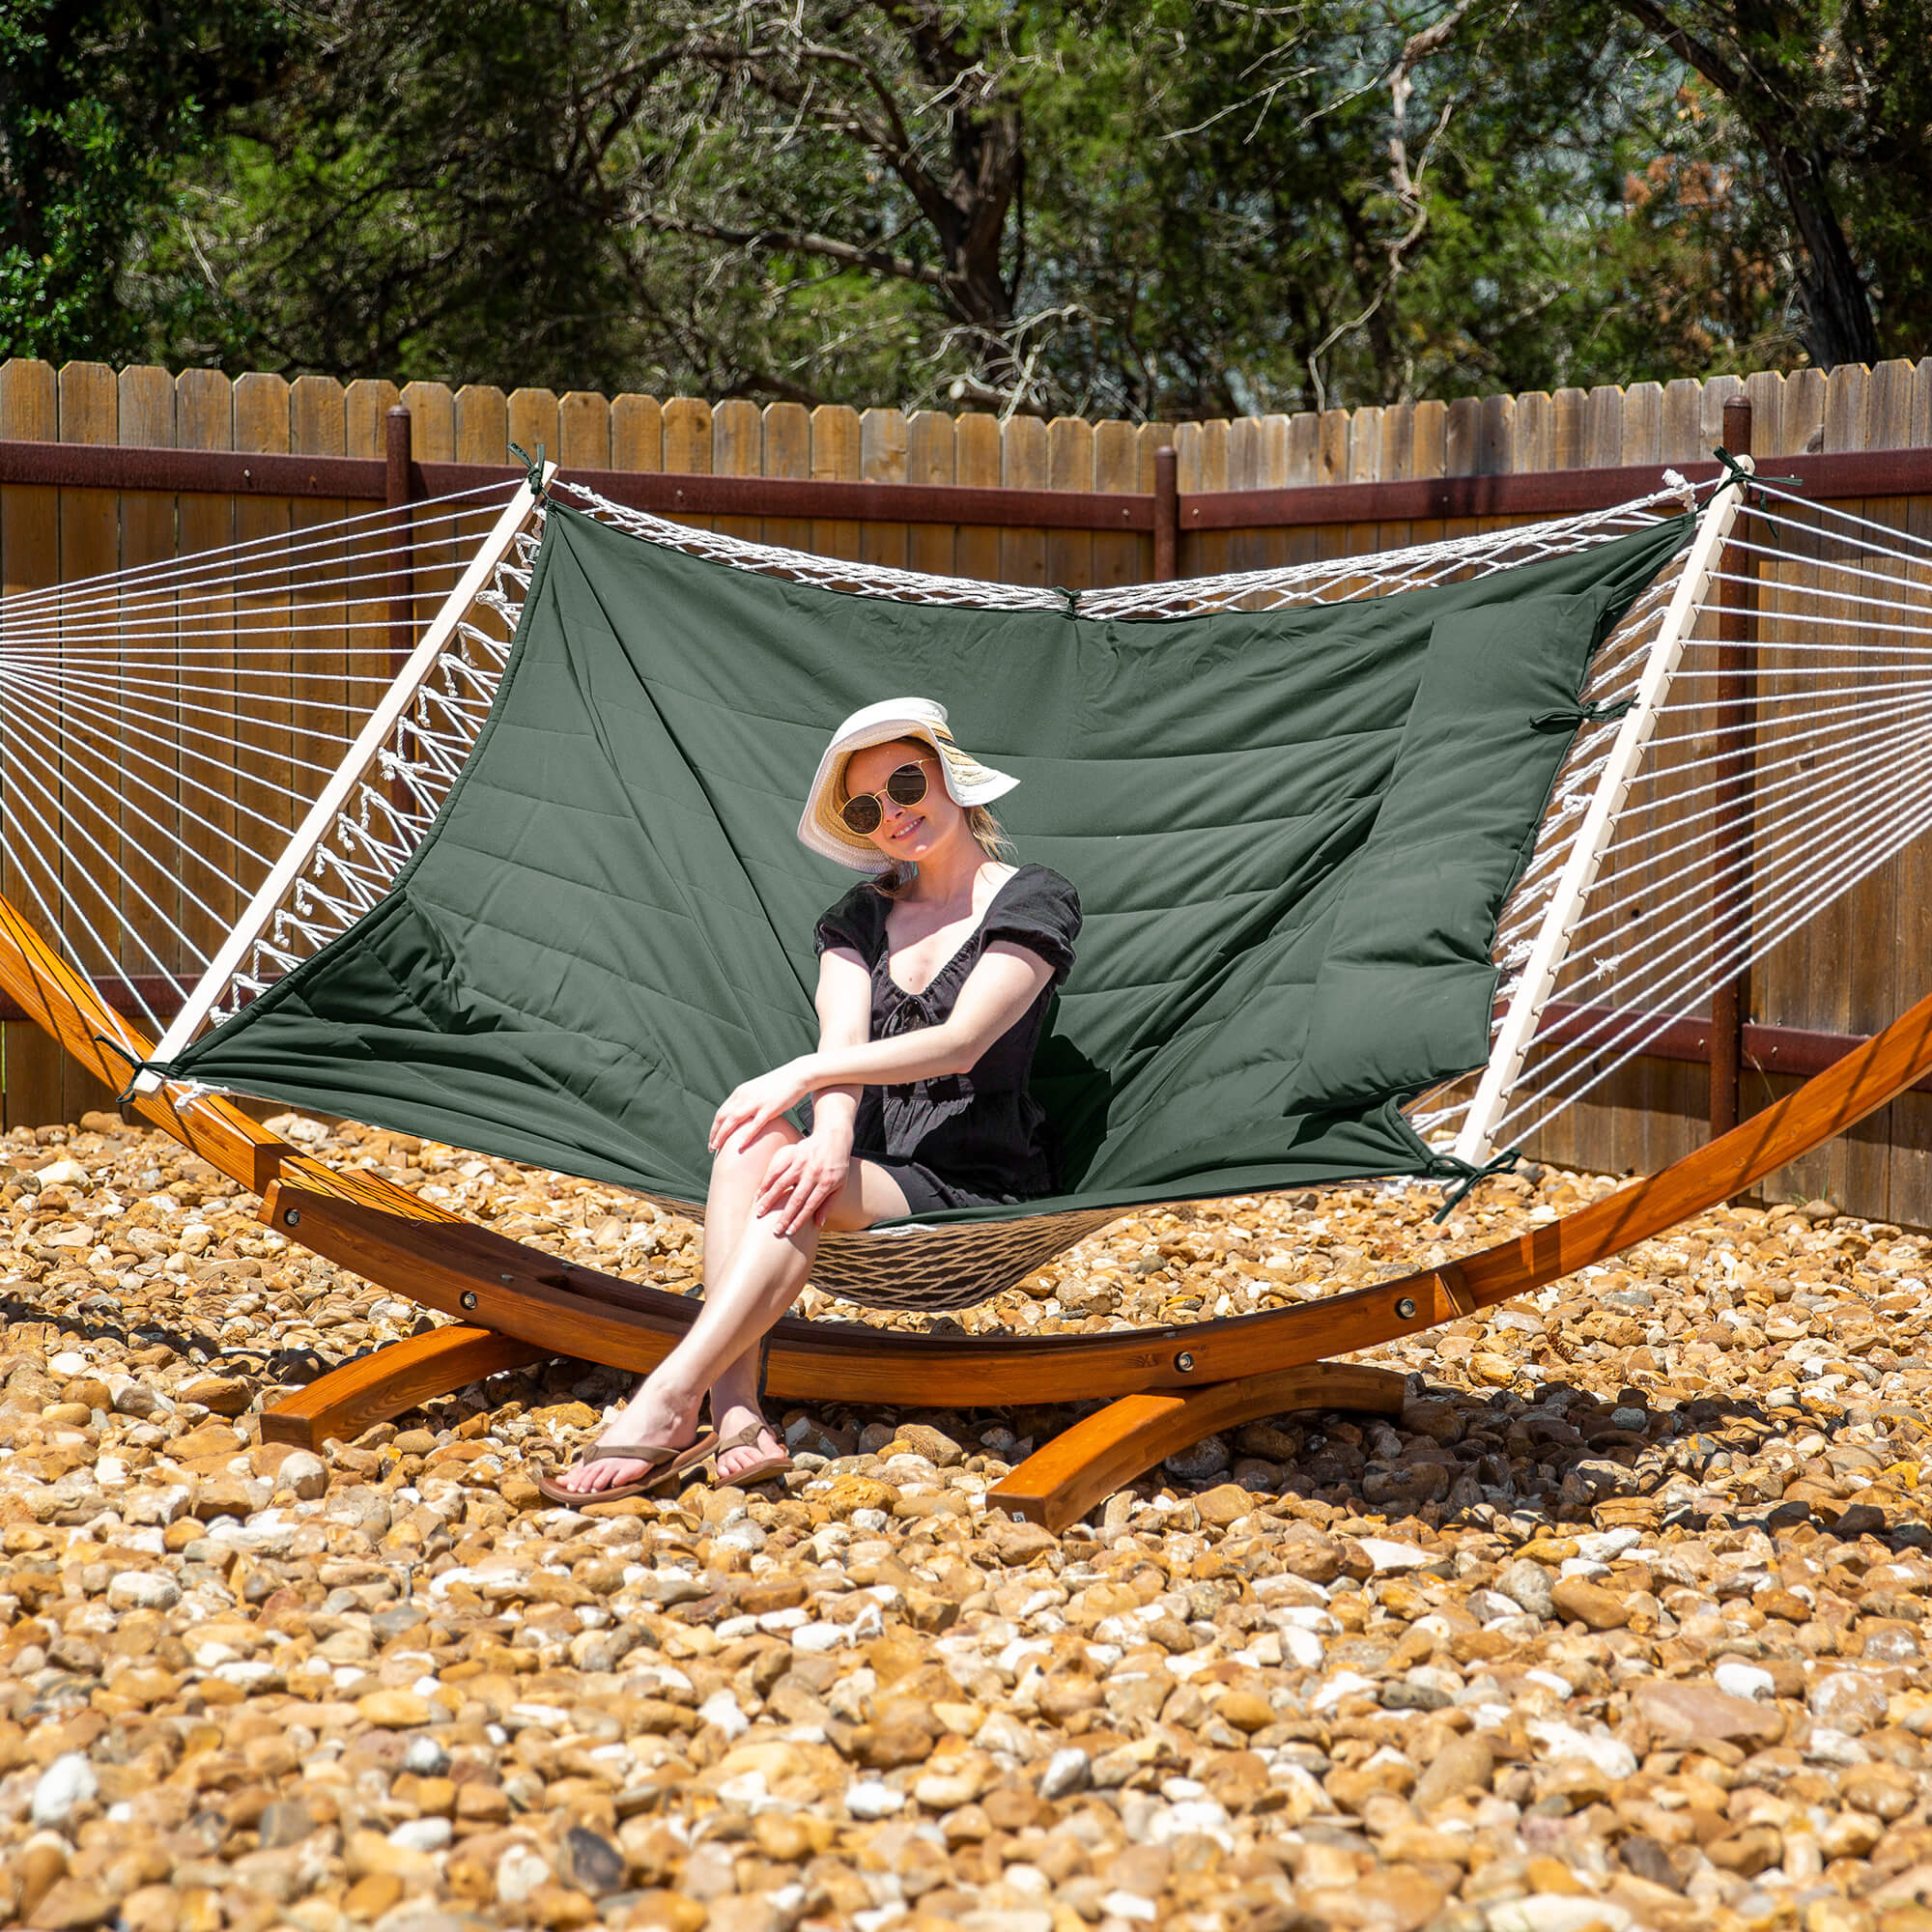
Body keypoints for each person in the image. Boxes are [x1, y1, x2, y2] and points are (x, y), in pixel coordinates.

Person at [542, 697, 1082, 1500]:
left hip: (973, 1171)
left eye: (906, 783)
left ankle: (670, 1394)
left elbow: (965, 1039)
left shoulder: (1031, 899)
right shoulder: (859, 919)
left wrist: (798, 1079)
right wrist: (829, 1134)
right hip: (865, 1156)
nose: (894, 813)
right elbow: (844, 1040)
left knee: (782, 1148)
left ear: (948, 778)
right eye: (869, 807)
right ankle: (734, 1413)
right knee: (753, 1142)